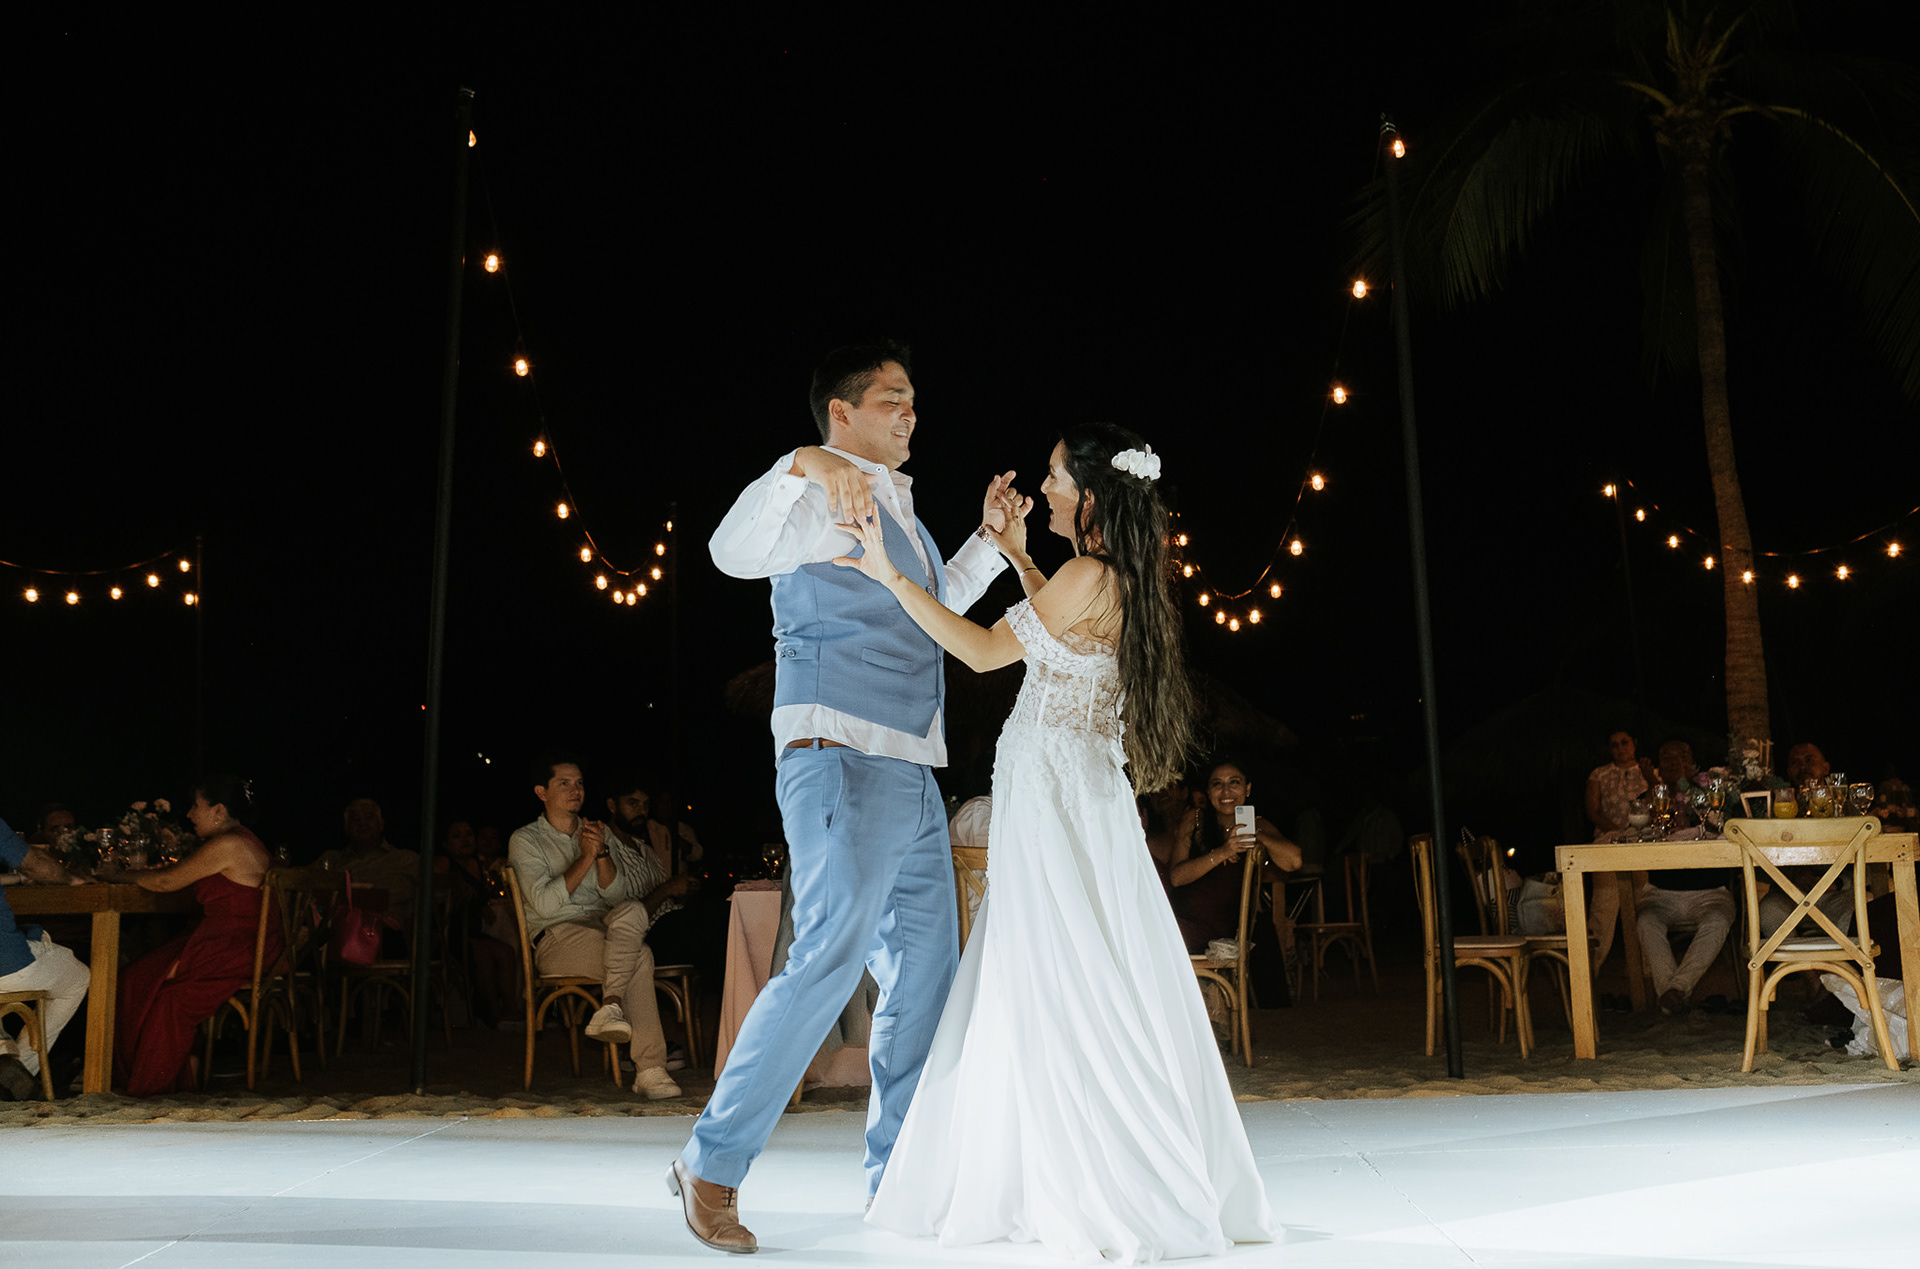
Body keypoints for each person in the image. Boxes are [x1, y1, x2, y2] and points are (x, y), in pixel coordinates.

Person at [850, 424, 1276, 1261]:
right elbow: (1060, 633)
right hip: (1076, 796)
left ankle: (1070, 1172)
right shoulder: (1112, 577)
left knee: (1056, 966)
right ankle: (1069, 1160)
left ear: (1089, 492)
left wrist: (889, 575)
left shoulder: (1089, 574)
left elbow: (983, 652)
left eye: (1053, 476)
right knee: (1083, 962)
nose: (1042, 488)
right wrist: (1016, 555)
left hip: (1053, 801)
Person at [674, 340, 1022, 1253]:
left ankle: (900, 1175)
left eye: (913, 400)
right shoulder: (817, 490)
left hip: (909, 770)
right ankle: (710, 1162)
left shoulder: (897, 505)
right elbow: (728, 550)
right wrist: (801, 461)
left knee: (926, 980)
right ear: (842, 412)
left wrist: (989, 541)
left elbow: (932, 605)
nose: (911, 413)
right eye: (892, 399)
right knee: (828, 959)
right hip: (839, 754)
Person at [508, 759, 682, 1098]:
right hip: (557, 936)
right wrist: (585, 857)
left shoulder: (596, 831)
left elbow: (617, 896)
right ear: (542, 792)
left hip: (605, 928)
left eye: (579, 783)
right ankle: (650, 1069)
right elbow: (544, 905)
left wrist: (601, 853)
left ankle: (610, 1008)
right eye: (564, 783)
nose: (575, 790)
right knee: (640, 955)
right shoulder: (526, 839)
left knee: (634, 909)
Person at [107, 776, 280, 1097]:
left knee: (163, 995)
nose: (189, 814)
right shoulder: (242, 840)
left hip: (236, 946)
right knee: (135, 979)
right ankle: (169, 1072)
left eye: (196, 806)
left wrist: (116, 874)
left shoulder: (229, 844)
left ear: (218, 811)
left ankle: (151, 1085)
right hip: (234, 940)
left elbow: (165, 882)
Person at [1170, 758, 1303, 954]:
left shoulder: (1258, 825)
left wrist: (1254, 834)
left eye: (1234, 782)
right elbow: (1176, 877)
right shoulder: (1195, 819)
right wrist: (1224, 852)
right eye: (1217, 784)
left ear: (1247, 789)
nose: (1226, 792)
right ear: (1208, 792)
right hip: (1182, 920)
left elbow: (1294, 861)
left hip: (1219, 931)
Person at [0, 817, 90, 1100]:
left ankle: (5, 1058)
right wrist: (71, 879)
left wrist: (16, 879)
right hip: (6, 964)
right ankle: (19, 1069)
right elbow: (35, 864)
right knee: (78, 976)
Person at [434, 819, 517, 1028]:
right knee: (482, 956)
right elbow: (436, 893)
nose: (465, 839)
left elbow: (479, 897)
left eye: (468, 834)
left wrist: (480, 905)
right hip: (448, 931)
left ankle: (510, 1010)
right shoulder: (443, 863)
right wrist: (456, 888)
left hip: (471, 930)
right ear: (446, 844)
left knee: (506, 952)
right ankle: (493, 1015)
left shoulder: (475, 865)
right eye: (457, 836)